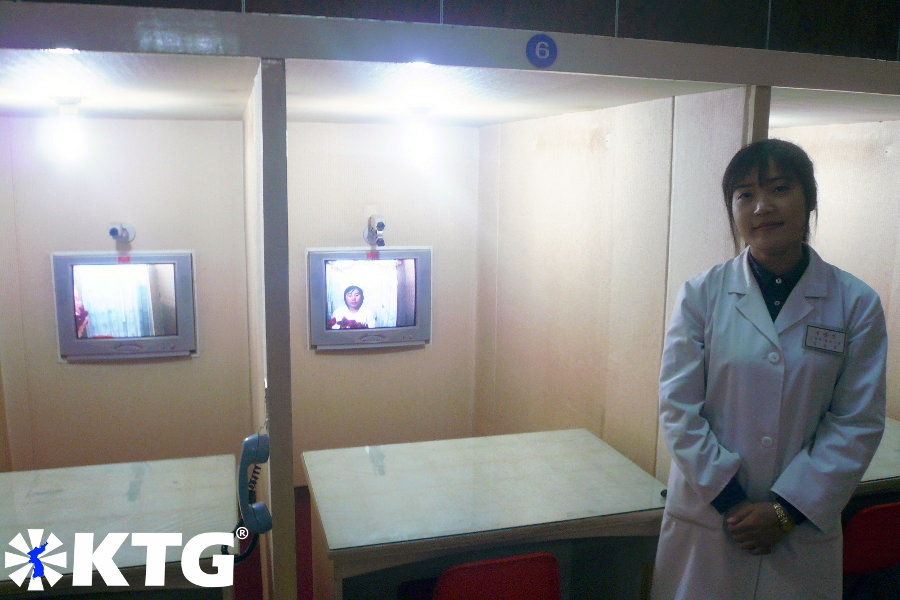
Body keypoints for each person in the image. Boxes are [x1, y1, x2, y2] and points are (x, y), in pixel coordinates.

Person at [651, 139, 887, 600]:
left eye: (779, 189)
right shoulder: (701, 295)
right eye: (744, 195)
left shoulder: (855, 303)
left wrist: (784, 512)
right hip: (712, 519)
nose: (762, 207)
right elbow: (678, 408)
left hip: (799, 528)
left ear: (809, 200)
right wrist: (733, 502)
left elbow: (856, 421)